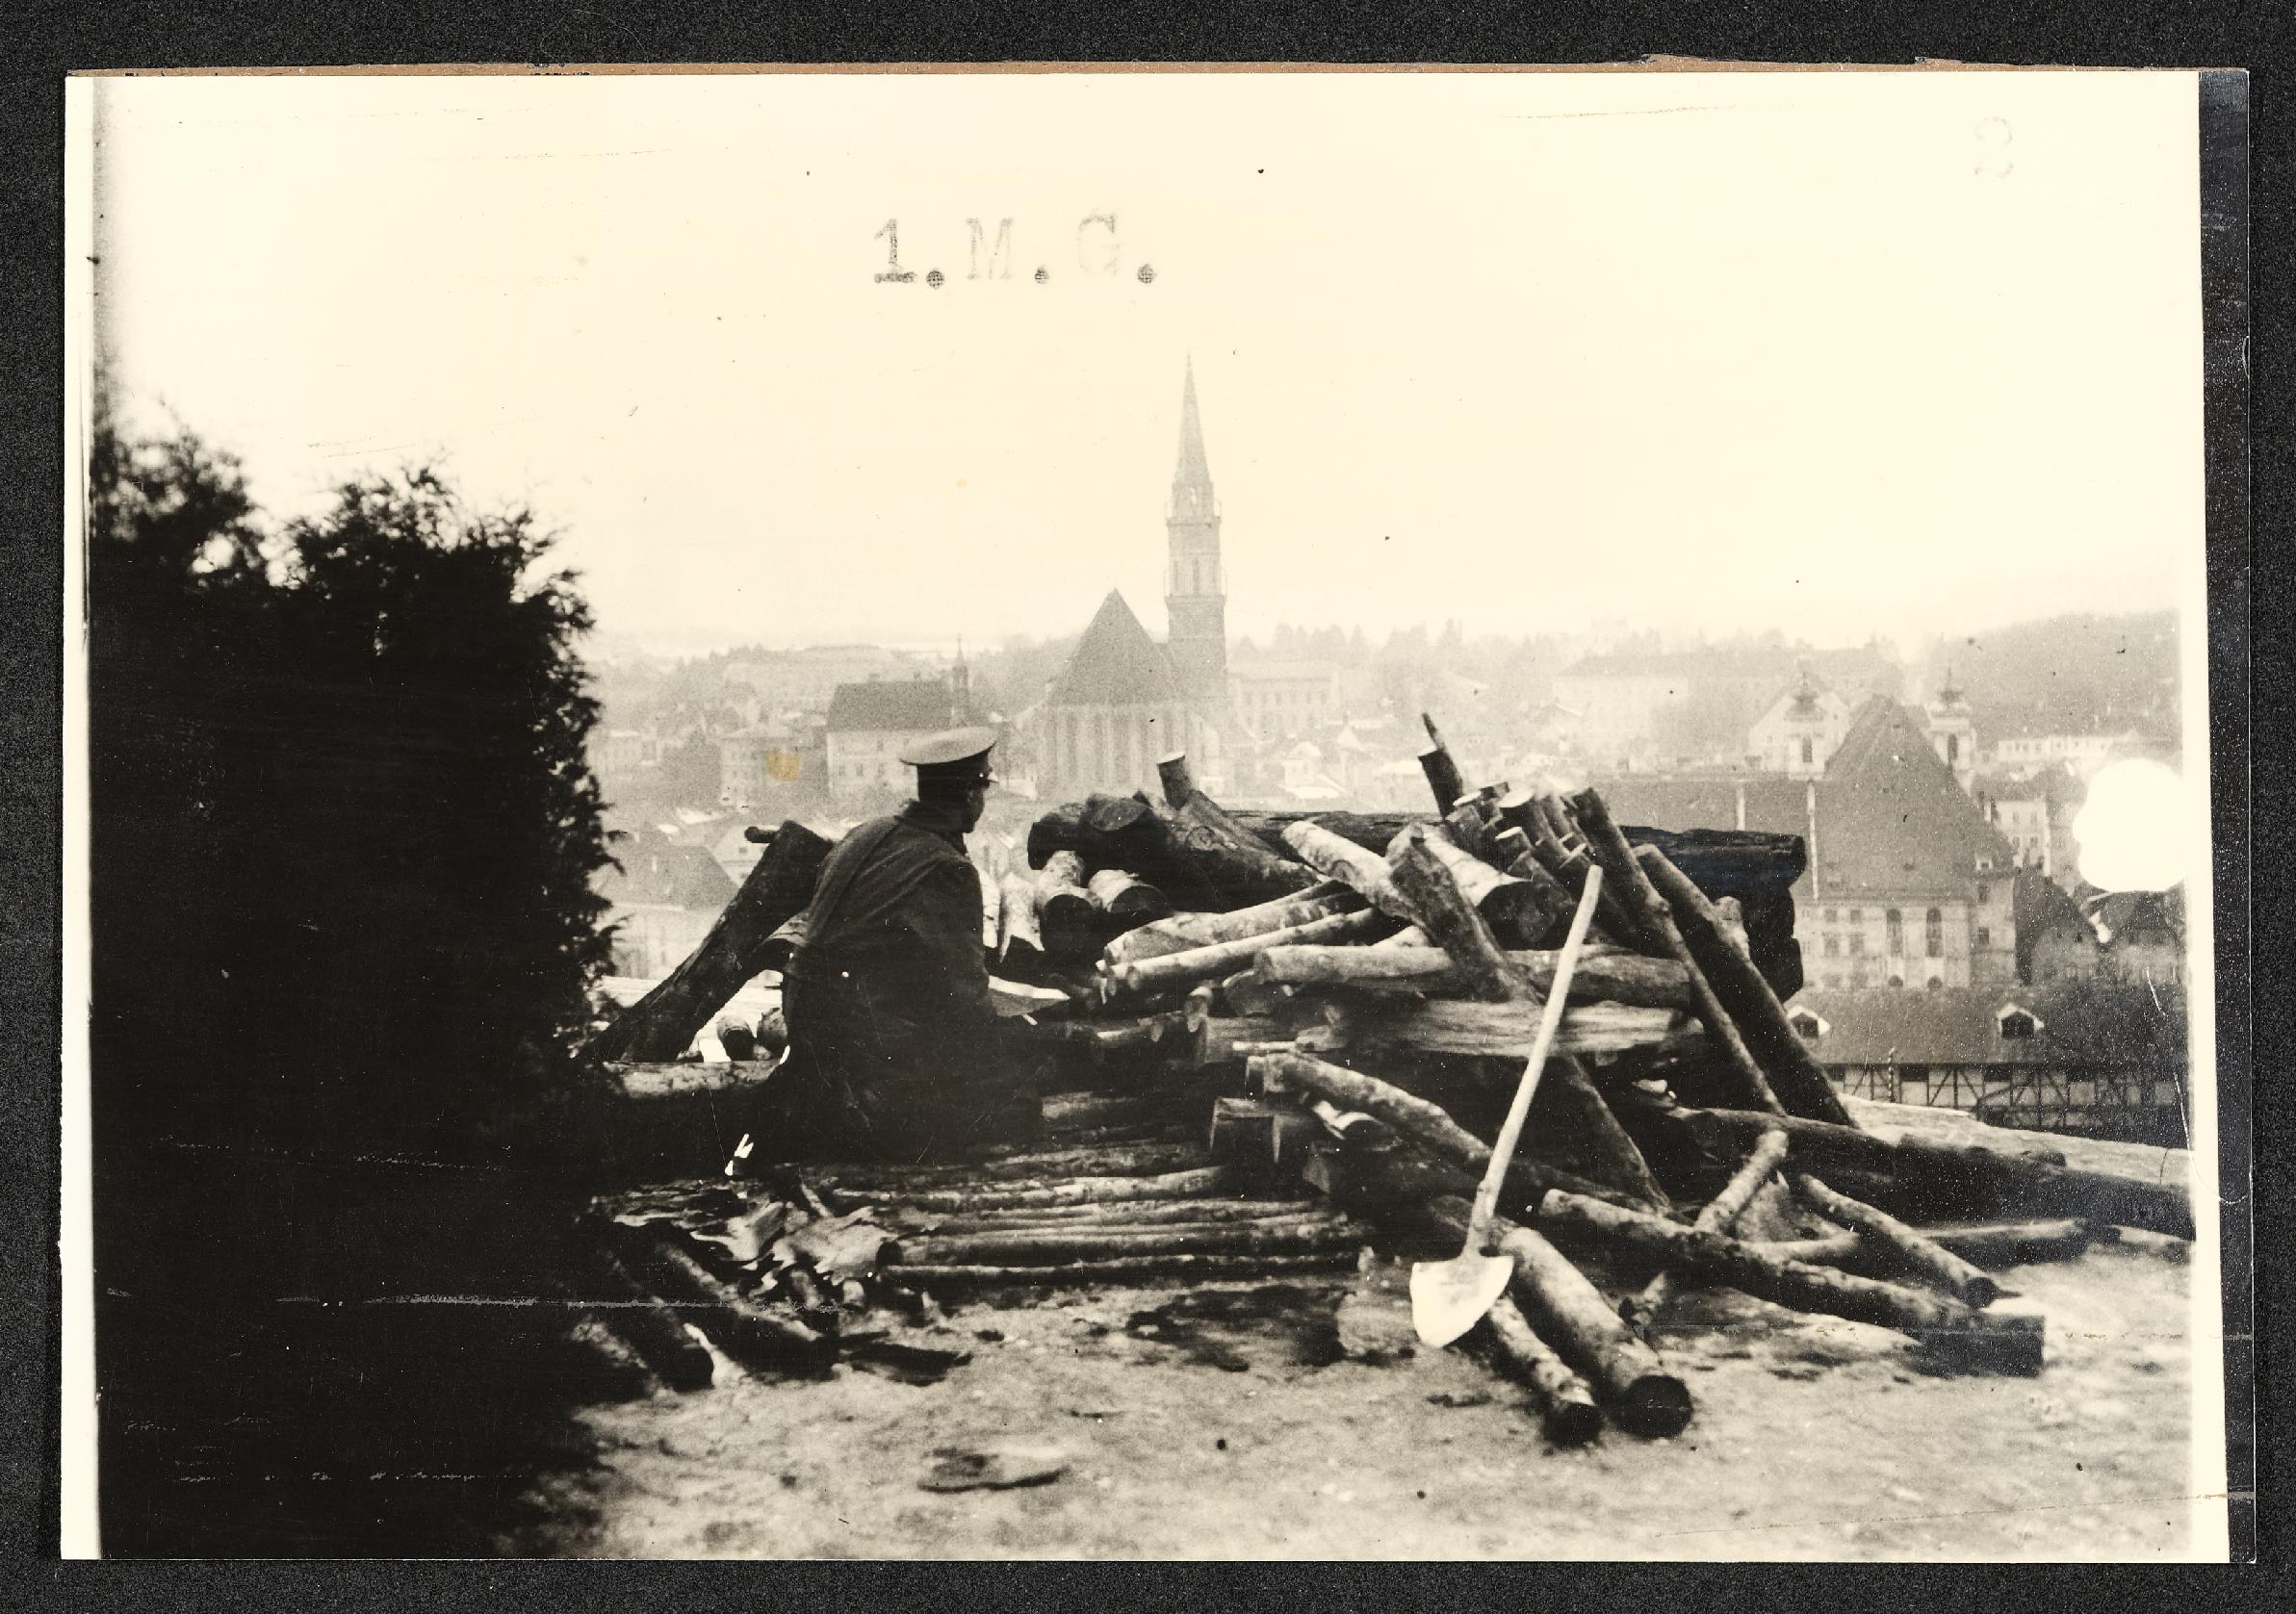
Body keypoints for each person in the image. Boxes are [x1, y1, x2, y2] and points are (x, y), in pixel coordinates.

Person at [772, 725, 1043, 1163]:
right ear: (969, 795)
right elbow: (964, 995)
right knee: (1014, 1100)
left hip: (807, 1021)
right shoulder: (946, 867)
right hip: (860, 1038)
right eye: (983, 788)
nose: (982, 800)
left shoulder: (865, 833)